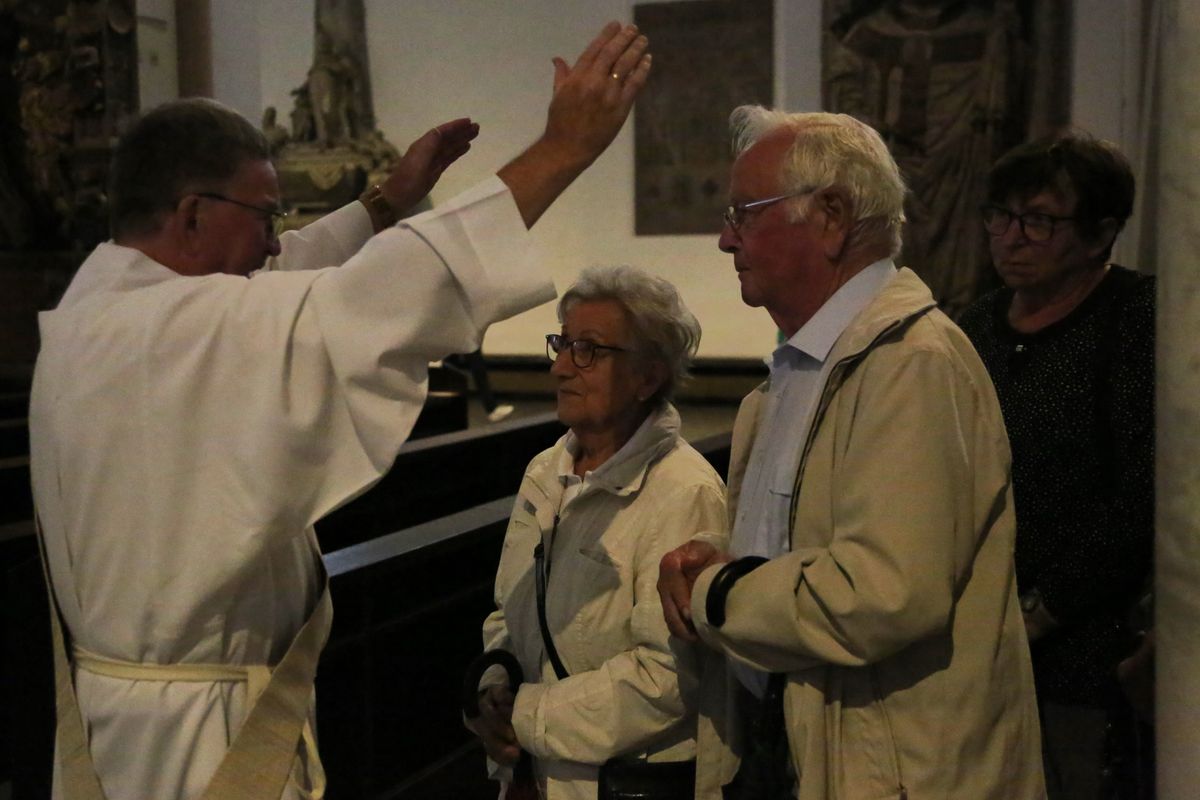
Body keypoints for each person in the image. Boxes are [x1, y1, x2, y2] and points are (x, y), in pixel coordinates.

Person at [28, 22, 652, 800]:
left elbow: (285, 274)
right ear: (190, 216)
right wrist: (563, 148)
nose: (274, 242)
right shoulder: (182, 333)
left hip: (119, 721)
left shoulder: (100, 303)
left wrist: (382, 202)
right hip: (195, 744)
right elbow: (378, 294)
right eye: (265, 217)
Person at [656, 106, 1046, 800]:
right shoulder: (800, 367)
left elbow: (884, 593)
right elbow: (798, 542)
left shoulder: (912, 364)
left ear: (831, 214)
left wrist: (717, 591)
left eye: (744, 213)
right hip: (798, 742)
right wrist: (712, 556)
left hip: (892, 768)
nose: (724, 239)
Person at [468, 266, 728, 800]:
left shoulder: (684, 492)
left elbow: (669, 680)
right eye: (562, 343)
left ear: (648, 377)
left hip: (617, 784)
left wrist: (528, 716)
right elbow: (508, 611)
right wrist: (494, 688)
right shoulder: (545, 471)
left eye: (588, 349)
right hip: (533, 777)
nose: (562, 367)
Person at [958, 131, 1155, 800]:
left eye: (1038, 221)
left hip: (1084, 646)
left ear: (1100, 235)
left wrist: (1044, 609)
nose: (1010, 238)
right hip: (975, 636)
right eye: (1001, 216)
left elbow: (1142, 494)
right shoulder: (976, 326)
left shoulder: (1135, 320)